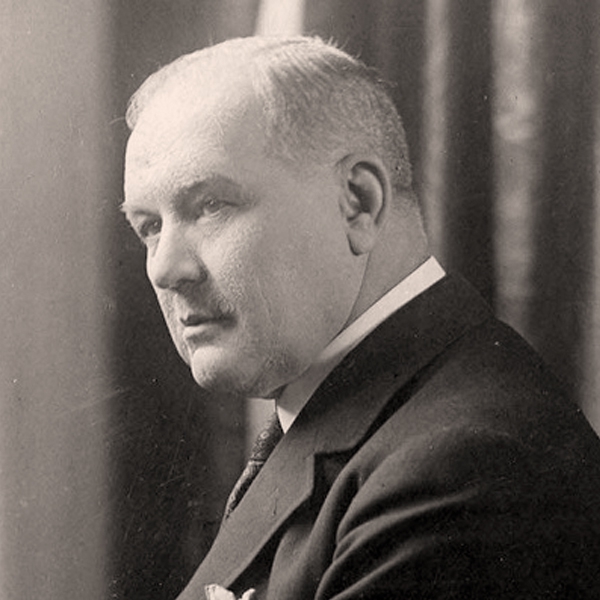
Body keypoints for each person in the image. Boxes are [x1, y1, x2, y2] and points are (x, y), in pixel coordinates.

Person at [121, 36, 600, 600]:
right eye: (149, 226)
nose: (165, 269)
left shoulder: (460, 472)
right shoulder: (359, 420)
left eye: (210, 206)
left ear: (358, 202)